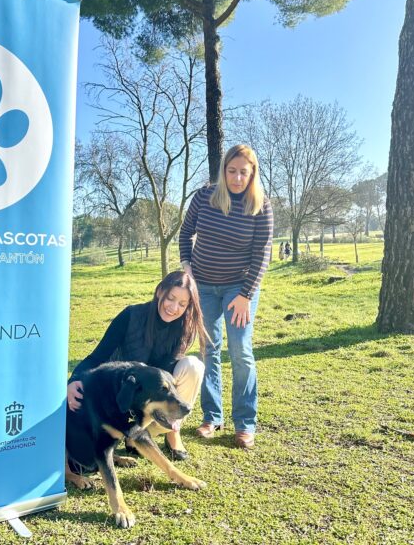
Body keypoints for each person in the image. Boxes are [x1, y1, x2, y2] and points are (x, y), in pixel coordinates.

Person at [179, 144, 273, 449]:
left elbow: (262, 254)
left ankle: (245, 423)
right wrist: (187, 269)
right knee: (208, 350)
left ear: (252, 173)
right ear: (223, 171)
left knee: (240, 351)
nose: (236, 177)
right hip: (203, 286)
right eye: (231, 171)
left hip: (239, 289)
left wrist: (246, 294)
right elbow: (185, 233)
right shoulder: (205, 197)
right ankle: (212, 416)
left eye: (243, 172)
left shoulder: (261, 206)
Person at [67, 270, 205, 460]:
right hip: (120, 397)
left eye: (182, 304)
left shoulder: (184, 328)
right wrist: (74, 380)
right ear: (160, 291)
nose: (174, 308)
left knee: (193, 366)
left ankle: (170, 431)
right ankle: (130, 434)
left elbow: (166, 374)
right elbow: (98, 355)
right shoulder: (131, 315)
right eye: (170, 298)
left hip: (148, 406)